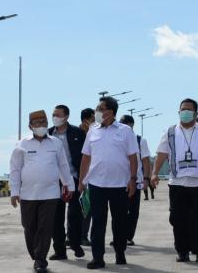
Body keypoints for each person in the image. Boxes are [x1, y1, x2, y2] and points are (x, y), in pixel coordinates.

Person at [151, 98, 198, 263]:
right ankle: (182, 251)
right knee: (177, 218)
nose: (185, 112)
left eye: (189, 109)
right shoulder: (170, 132)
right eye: (183, 109)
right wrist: (154, 173)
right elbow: (161, 154)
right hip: (177, 183)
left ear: (196, 113)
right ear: (178, 112)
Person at [9, 110, 75, 273]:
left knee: (46, 227)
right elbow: (15, 169)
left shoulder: (55, 143)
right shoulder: (22, 144)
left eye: (44, 122)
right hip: (28, 194)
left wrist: (70, 185)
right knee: (29, 227)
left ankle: (40, 259)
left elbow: (63, 166)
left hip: (51, 193)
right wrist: (14, 191)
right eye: (38, 123)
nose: (42, 125)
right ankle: (36, 254)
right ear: (30, 126)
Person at [78, 96, 139, 269]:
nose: (96, 112)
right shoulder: (92, 130)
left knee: (119, 222)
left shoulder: (126, 131)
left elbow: (133, 157)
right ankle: (98, 258)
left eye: (99, 108)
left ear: (110, 112)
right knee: (98, 222)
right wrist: (82, 181)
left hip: (120, 184)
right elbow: (86, 157)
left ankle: (120, 252)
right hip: (97, 184)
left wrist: (133, 180)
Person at [48, 105, 87, 260]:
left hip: (74, 179)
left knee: (74, 215)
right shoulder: (48, 134)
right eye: (53, 114)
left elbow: (86, 157)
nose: (54, 117)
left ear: (66, 117)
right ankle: (59, 250)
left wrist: (84, 179)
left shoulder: (78, 133)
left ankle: (75, 244)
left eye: (57, 115)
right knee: (55, 217)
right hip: (53, 181)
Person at [119, 114, 151, 246]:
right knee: (119, 211)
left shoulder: (140, 141)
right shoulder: (117, 139)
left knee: (133, 211)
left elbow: (146, 161)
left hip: (136, 181)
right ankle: (119, 236)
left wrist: (146, 179)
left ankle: (128, 236)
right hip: (119, 182)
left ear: (131, 125)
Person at [79, 107, 95, 246]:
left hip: (90, 176)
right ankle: (74, 235)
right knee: (78, 208)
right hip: (79, 176)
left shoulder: (93, 133)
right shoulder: (79, 135)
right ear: (86, 120)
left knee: (86, 207)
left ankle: (83, 235)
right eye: (93, 119)